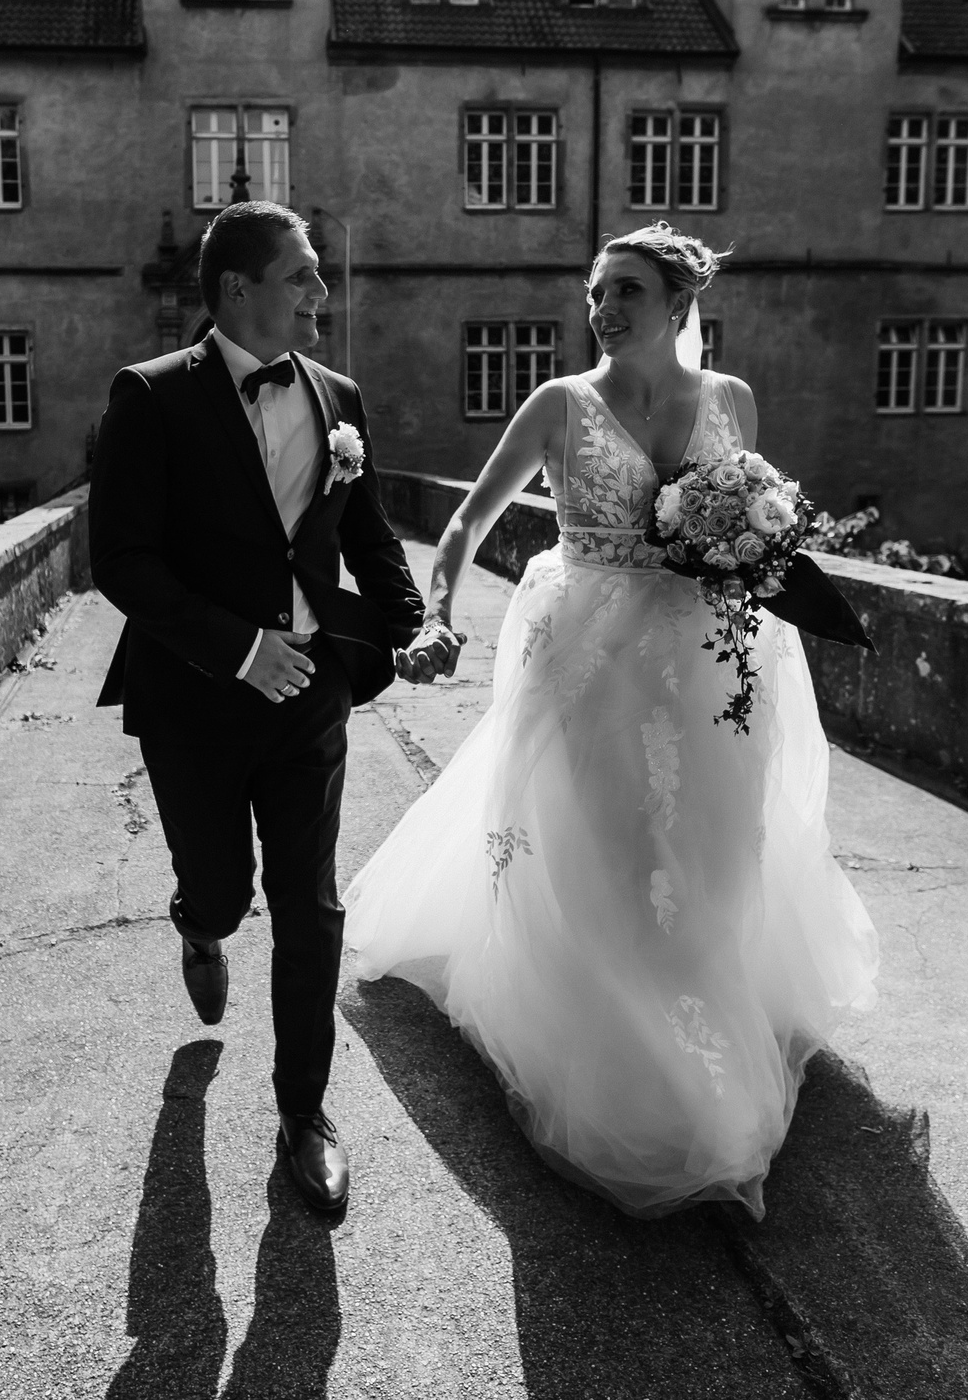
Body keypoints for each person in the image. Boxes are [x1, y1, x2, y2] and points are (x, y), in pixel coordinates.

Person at [343, 223, 880, 1218]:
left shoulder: (734, 401)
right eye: (596, 291)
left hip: (711, 666)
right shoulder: (559, 405)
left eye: (625, 290)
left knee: (717, 843)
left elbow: (747, 524)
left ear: (678, 306)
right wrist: (435, 615)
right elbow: (465, 522)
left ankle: (706, 1004)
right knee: (602, 847)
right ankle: (620, 1057)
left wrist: (745, 551)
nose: (603, 307)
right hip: (588, 662)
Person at [90, 200, 452, 1214]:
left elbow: (368, 536)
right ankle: (198, 926)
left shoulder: (340, 397)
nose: (320, 295)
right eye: (301, 277)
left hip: (311, 693)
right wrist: (235, 648)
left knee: (311, 908)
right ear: (237, 289)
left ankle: (305, 1114)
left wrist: (407, 626)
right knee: (226, 890)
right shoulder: (151, 398)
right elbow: (119, 558)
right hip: (194, 697)